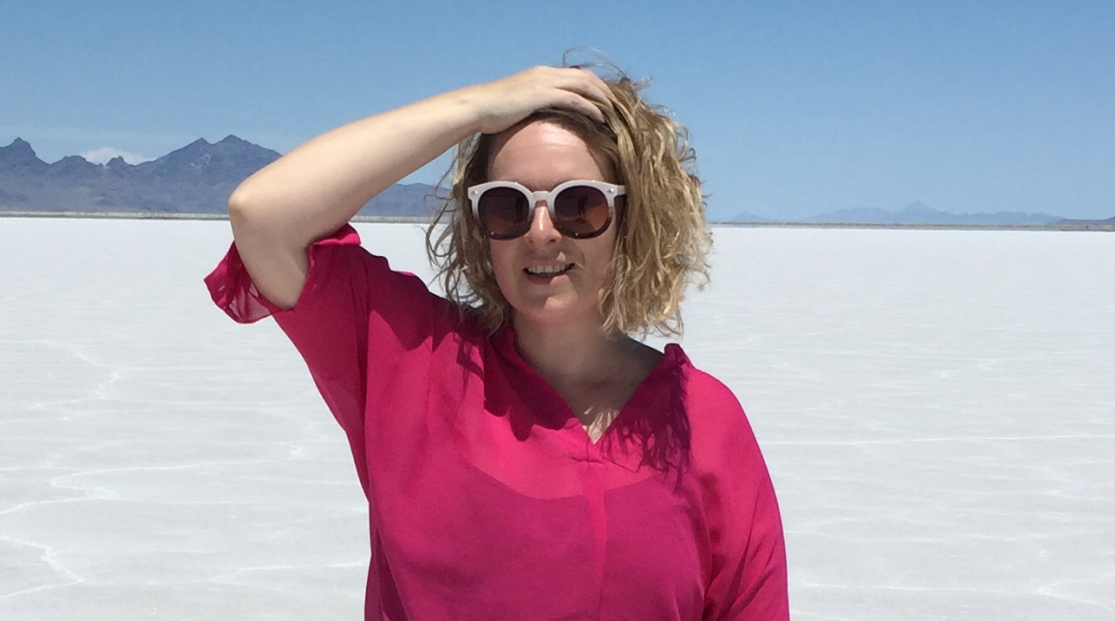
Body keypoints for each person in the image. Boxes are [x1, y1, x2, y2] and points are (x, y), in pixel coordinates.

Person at [205, 65, 788, 620]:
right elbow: (262, 215)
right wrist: (477, 108)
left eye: (578, 205)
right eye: (507, 205)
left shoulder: (702, 420)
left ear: (631, 222)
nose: (541, 234)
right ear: (479, 225)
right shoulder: (412, 362)